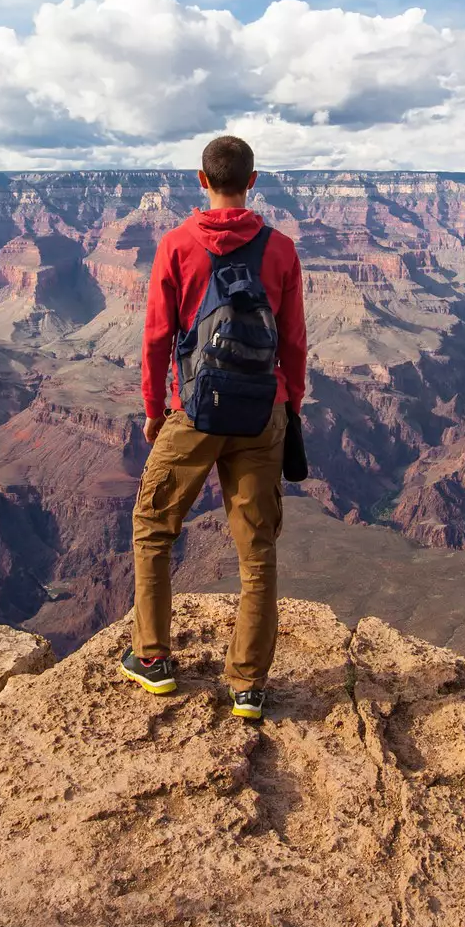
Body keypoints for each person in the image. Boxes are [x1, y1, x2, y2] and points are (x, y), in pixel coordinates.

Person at [121, 135, 306, 722]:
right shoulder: (281, 250)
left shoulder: (175, 245)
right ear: (254, 180)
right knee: (257, 553)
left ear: (200, 179)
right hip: (261, 414)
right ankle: (247, 685)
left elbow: (156, 336)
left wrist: (154, 409)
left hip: (194, 413)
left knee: (153, 526)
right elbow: (295, 342)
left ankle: (153, 658)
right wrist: (289, 405)